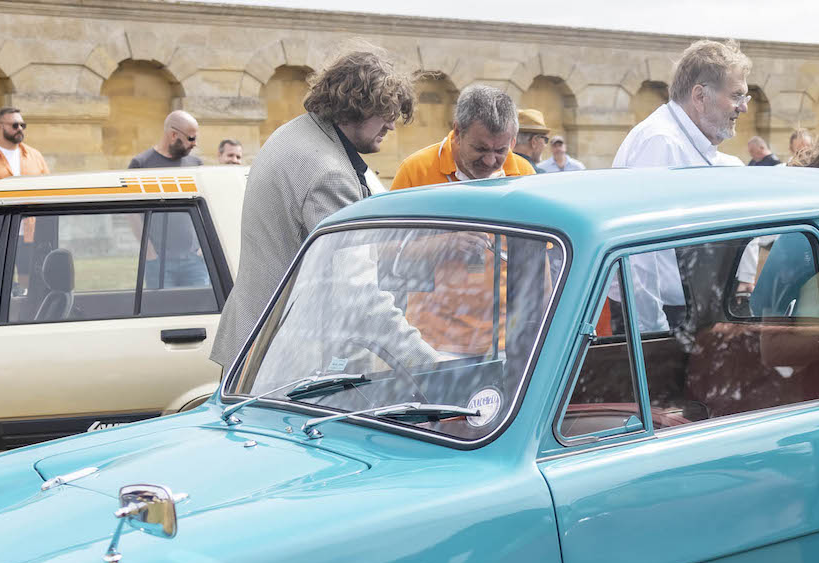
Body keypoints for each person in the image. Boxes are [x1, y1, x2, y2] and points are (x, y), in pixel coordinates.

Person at [210, 46, 415, 371]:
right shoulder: (328, 172)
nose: (391, 126)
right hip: (287, 364)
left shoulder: (293, 134)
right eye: (385, 112)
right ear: (358, 106)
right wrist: (422, 359)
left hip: (255, 345)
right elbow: (358, 295)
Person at [612, 40, 751, 169]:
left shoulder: (684, 143)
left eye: (745, 97)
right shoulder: (661, 142)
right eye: (736, 96)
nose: (744, 107)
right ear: (700, 97)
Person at [390, 84, 536, 188]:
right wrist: (445, 233)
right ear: (458, 133)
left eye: (500, 151)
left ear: (512, 142)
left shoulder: (525, 175)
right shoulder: (416, 172)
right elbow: (391, 231)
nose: (489, 161)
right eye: (481, 149)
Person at [129, 110, 203, 168]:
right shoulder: (141, 164)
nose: (195, 143)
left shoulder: (196, 164)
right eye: (191, 138)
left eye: (196, 138)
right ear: (173, 135)